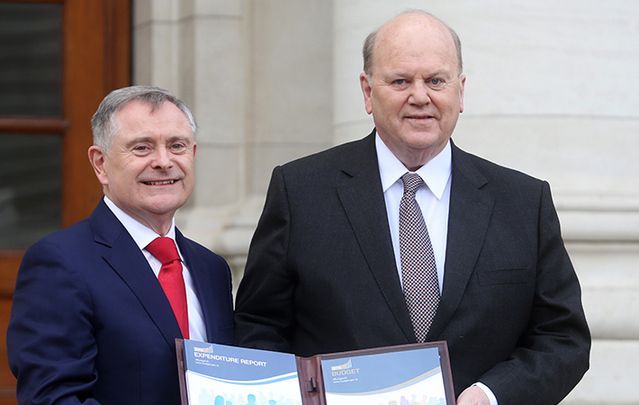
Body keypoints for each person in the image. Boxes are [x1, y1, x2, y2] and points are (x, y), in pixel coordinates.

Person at [234, 10, 590, 405]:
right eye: (400, 80)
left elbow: (562, 338)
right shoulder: (301, 192)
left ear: (461, 90)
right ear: (368, 92)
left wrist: (490, 396)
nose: (420, 96)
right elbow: (259, 326)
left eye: (436, 80)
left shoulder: (523, 202)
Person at [7, 86, 235, 405]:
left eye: (177, 145)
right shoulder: (59, 263)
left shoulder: (211, 269)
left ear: (193, 155)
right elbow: (53, 397)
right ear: (100, 164)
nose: (163, 161)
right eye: (142, 148)